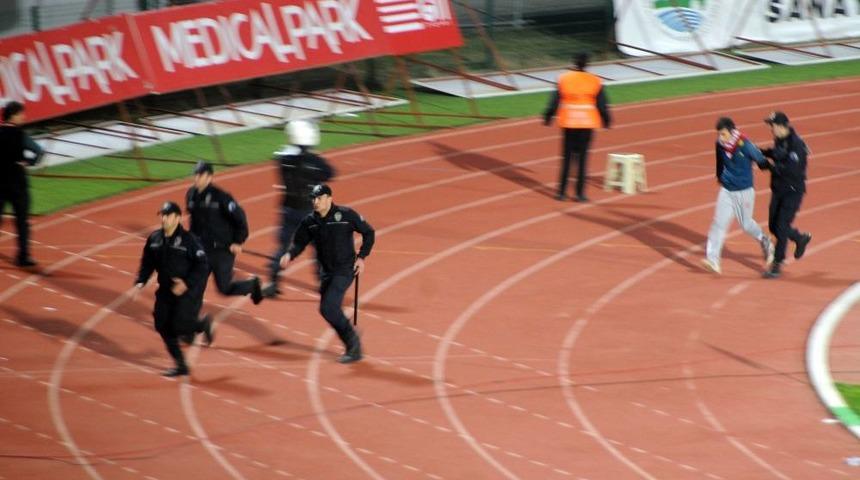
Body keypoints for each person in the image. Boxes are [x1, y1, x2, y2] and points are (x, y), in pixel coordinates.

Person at [279, 184, 375, 364]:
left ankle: (354, 347)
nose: (315, 202)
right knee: (328, 310)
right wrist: (289, 254)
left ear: (329, 198)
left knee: (328, 308)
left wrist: (362, 257)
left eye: (319, 198)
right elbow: (299, 243)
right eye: (313, 198)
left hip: (345, 270)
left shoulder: (346, 215)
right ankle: (350, 334)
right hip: (326, 272)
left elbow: (369, 232)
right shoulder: (310, 222)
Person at [134, 201, 213, 377]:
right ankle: (181, 365)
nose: (164, 218)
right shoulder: (154, 239)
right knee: (162, 324)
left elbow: (202, 265)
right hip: (165, 289)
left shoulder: (189, 240)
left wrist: (186, 283)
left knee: (180, 326)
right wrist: (140, 281)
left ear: (178, 218)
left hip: (187, 290)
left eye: (168, 215)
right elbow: (147, 263)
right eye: (162, 215)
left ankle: (201, 324)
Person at [264, 120, 335, 297]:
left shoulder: (283, 159)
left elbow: (286, 158)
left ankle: (273, 282)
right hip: (310, 211)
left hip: (289, 208)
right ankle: (323, 284)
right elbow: (330, 173)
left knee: (284, 247)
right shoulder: (314, 160)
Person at [702, 117, 774, 275]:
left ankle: (765, 240)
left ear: (732, 132)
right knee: (718, 223)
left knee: (746, 225)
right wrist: (720, 177)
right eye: (719, 134)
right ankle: (713, 260)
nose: (720, 138)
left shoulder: (745, 145)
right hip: (727, 191)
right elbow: (719, 163)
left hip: (744, 192)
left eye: (723, 134)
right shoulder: (719, 145)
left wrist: (775, 170)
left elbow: (761, 161)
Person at [186, 161, 263, 304]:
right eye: (195, 174)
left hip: (222, 250)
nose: (196, 178)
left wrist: (238, 241)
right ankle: (191, 320)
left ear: (209, 177)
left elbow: (240, 219)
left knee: (224, 288)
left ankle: (252, 285)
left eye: (200, 175)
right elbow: (193, 222)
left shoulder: (221, 197)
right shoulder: (191, 195)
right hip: (202, 249)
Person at [542, 52, 612, 202]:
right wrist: (607, 121)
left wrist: (547, 117)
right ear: (587, 64)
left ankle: (561, 193)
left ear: (573, 62)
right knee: (582, 159)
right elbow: (602, 104)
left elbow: (554, 101)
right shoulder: (595, 80)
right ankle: (580, 194)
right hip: (587, 124)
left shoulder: (563, 78)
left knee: (566, 158)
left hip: (569, 123)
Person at [760, 111, 812, 279]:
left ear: (782, 126)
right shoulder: (780, 140)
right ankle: (799, 238)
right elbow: (777, 154)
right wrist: (760, 152)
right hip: (778, 189)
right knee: (774, 226)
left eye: (772, 125)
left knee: (781, 225)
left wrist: (770, 167)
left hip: (792, 191)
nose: (771, 128)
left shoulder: (796, 144)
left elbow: (793, 170)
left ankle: (777, 263)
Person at [0, 101, 44, 267]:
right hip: (18, 183)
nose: (23, 117)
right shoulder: (20, 135)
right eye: (21, 114)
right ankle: (23, 256)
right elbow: (39, 151)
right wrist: (28, 162)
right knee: (22, 221)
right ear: (14, 115)